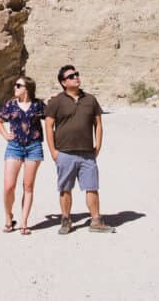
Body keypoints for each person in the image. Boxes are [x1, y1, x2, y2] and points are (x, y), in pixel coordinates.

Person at [44, 65, 116, 234]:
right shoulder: (56, 101)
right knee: (65, 188)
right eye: (71, 76)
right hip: (65, 153)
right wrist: (53, 152)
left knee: (92, 187)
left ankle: (96, 220)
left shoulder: (90, 99)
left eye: (76, 74)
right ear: (63, 82)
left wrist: (98, 146)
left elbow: (98, 124)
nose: (76, 77)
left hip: (87, 153)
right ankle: (66, 220)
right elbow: (48, 126)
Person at [0, 76, 46, 235]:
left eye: (18, 85)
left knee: (28, 186)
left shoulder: (38, 105)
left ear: (27, 89)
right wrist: (5, 135)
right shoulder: (10, 105)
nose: (15, 87)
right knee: (9, 186)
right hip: (14, 147)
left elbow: (51, 117)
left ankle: (24, 222)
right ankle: (9, 217)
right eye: (15, 85)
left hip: (34, 146)